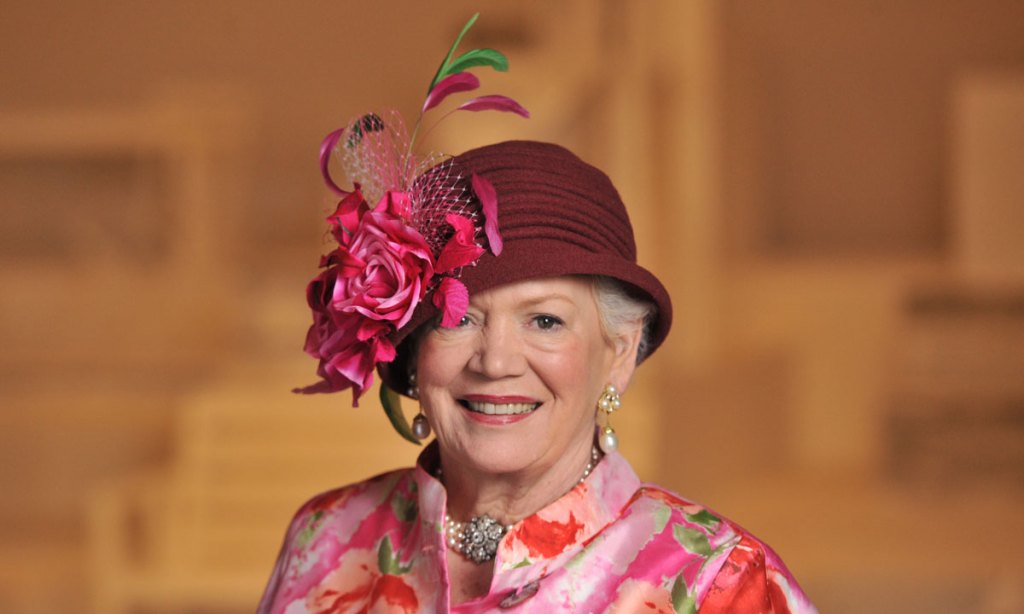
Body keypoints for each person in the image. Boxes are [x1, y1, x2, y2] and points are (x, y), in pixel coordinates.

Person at [259, 15, 816, 614]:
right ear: (413, 349)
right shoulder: (326, 537)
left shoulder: (721, 585)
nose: (495, 361)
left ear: (620, 353)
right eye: (457, 317)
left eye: (544, 320)